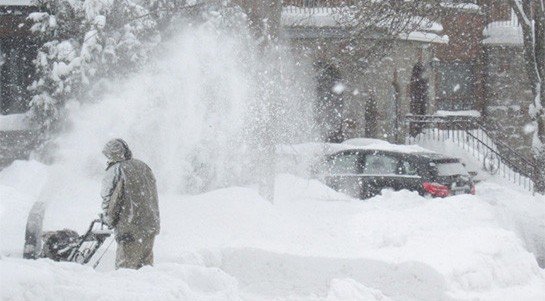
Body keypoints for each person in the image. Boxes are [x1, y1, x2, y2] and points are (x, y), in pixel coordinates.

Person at [100, 138, 160, 269]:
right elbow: (152, 195)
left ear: (112, 154)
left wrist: (109, 219)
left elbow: (110, 199)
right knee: (146, 269)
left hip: (129, 228)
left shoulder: (116, 170)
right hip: (150, 226)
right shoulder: (144, 166)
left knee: (125, 271)